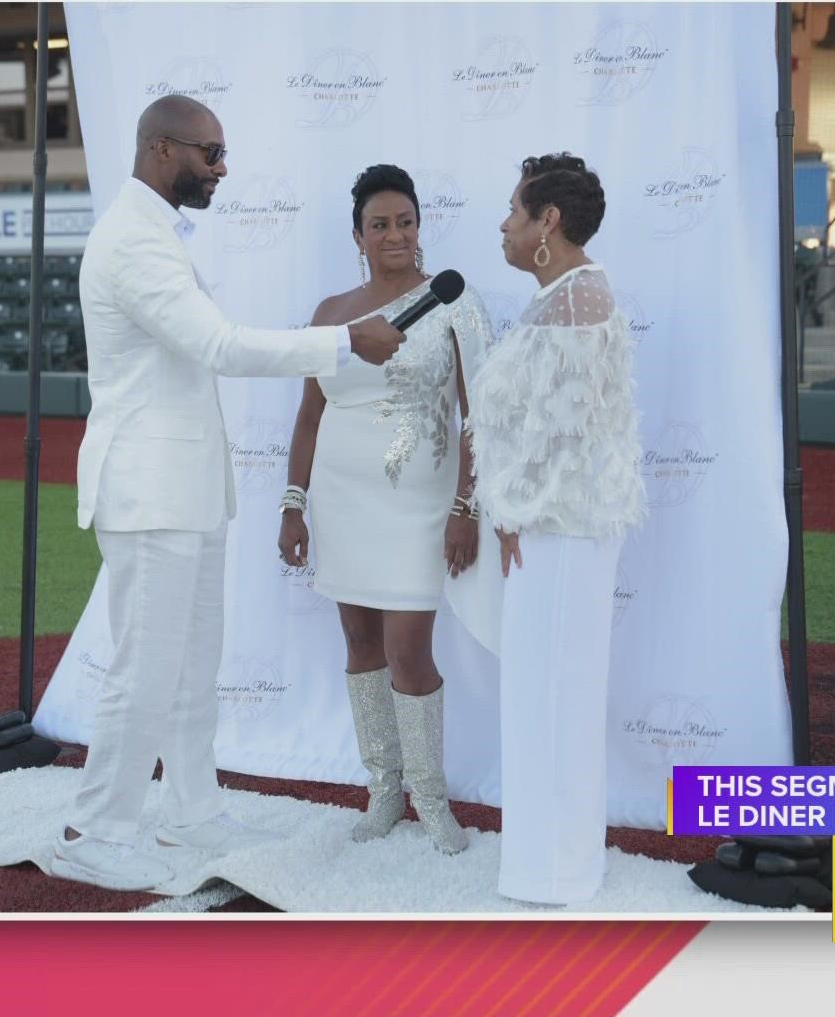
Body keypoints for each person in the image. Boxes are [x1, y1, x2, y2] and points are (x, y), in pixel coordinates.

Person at [54, 95, 406, 893]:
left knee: (190, 664)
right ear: (160, 149)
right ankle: (95, 829)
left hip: (185, 486)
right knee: (145, 666)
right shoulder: (131, 241)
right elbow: (218, 346)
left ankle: (190, 808)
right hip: (148, 491)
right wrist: (345, 340)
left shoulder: (155, 235)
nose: (222, 168)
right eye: (210, 154)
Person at [277, 164, 492, 855]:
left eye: (405, 221)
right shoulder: (330, 312)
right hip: (341, 504)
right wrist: (293, 505)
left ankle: (431, 797)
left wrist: (466, 506)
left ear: (420, 227)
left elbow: (477, 414)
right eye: (380, 225)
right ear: (358, 236)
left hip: (421, 507)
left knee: (408, 649)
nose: (395, 233)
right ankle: (384, 789)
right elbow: (309, 417)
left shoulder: (455, 302)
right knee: (361, 645)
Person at [463, 153, 647, 904]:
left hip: (557, 533)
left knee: (552, 700)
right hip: (546, 529)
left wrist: (512, 510)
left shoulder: (577, 302)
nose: (503, 223)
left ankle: (555, 872)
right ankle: (551, 862)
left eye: (514, 209)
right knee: (544, 699)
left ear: (550, 222)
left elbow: (566, 436)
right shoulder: (564, 296)